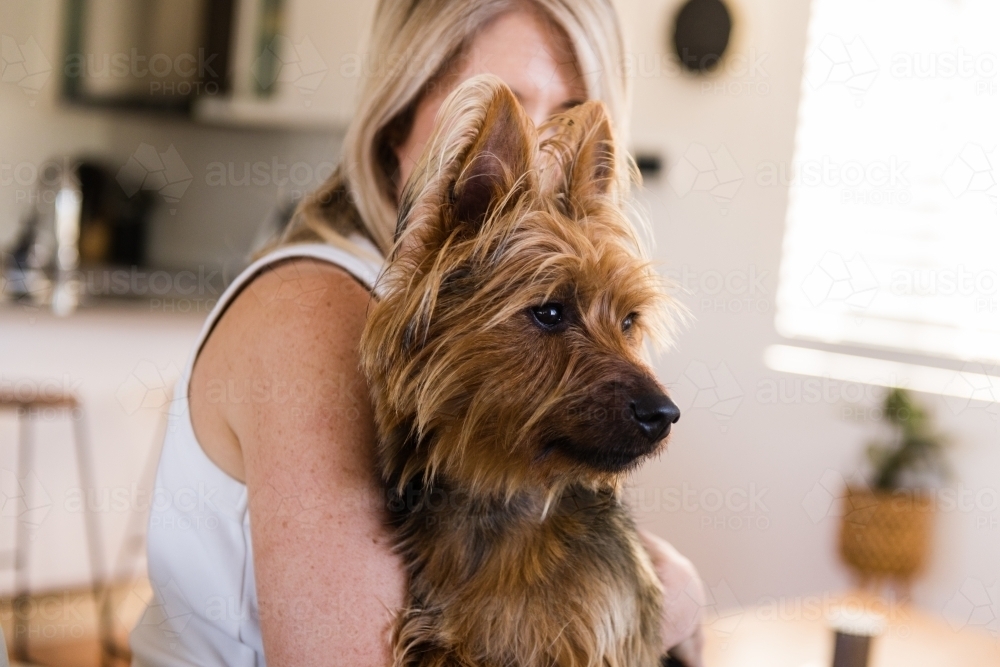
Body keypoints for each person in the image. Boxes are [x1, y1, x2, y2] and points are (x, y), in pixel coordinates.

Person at [130, 1, 704, 665]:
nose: (536, 157)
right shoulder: (317, 312)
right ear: (397, 117)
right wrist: (664, 607)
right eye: (502, 109)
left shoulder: (465, 317)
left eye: (568, 116)